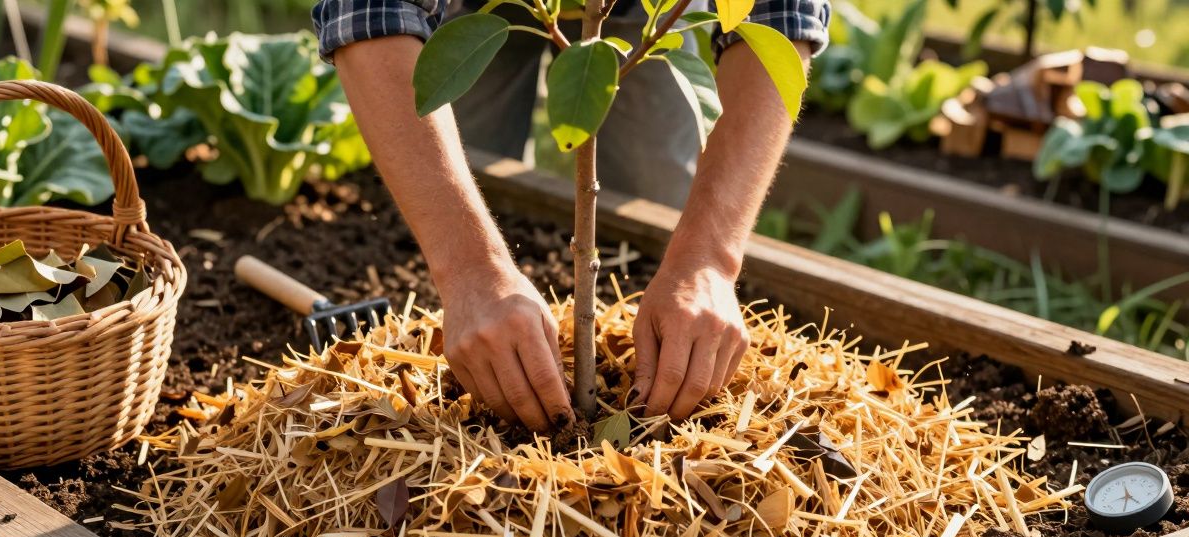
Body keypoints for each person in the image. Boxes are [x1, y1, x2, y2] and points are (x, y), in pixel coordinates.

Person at [311, 0, 829, 432]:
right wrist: (469, 270)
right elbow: (370, 11)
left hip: (651, 15)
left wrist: (709, 259)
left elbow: (776, 18)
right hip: (484, 6)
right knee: (455, 180)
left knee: (659, 190)